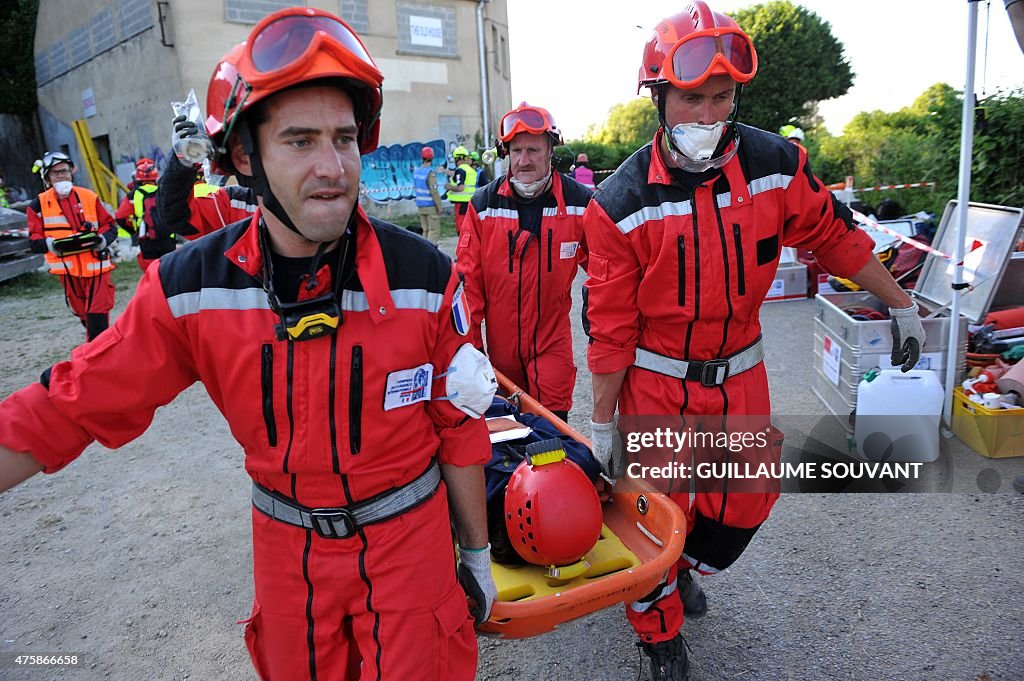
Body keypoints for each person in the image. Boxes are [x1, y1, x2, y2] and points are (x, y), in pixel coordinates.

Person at [0, 8, 497, 680]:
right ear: (244, 156)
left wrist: (474, 553)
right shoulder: (190, 290)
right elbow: (69, 404)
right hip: (288, 556)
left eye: (345, 138)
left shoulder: (427, 279)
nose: (333, 166)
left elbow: (459, 428)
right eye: (299, 140)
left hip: (410, 547)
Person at [582, 5, 926, 679]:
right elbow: (609, 331)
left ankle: (678, 564)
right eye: (691, 100)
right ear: (658, 96)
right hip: (658, 384)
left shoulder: (775, 164)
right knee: (653, 515)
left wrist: (902, 303)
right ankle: (658, 632)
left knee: (744, 498)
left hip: (741, 374)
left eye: (722, 97)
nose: (708, 116)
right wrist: (600, 425)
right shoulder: (619, 203)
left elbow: (837, 236)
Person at [456, 102, 592, 422]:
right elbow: (468, 286)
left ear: (550, 152)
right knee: (507, 440)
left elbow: (607, 273)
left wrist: (603, 336)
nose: (524, 160)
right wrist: (472, 353)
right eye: (516, 150)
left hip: (552, 345)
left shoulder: (578, 204)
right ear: (506, 153)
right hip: (500, 356)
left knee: (553, 435)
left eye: (533, 149)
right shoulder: (483, 206)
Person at [26, 151, 118, 342]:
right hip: (68, 271)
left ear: (71, 173)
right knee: (84, 315)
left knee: (97, 316)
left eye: (65, 171)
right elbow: (34, 241)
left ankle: (98, 357)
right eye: (56, 172)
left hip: (96, 267)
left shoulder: (89, 197)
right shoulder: (38, 205)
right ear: (47, 178)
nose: (61, 176)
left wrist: (101, 240)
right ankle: (99, 351)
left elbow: (110, 226)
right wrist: (49, 244)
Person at [115, 157, 175, 270]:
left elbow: (120, 217)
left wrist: (134, 229)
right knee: (171, 269)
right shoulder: (165, 191)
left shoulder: (133, 195)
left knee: (151, 271)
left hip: (146, 239)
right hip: (168, 237)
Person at [413, 146, 443, 244]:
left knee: (425, 230)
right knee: (433, 230)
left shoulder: (416, 171)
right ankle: (432, 251)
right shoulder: (430, 173)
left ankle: (424, 251)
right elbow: (433, 191)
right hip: (430, 206)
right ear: (432, 157)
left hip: (420, 205)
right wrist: (439, 206)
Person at [445, 145, 476, 234]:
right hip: (470, 201)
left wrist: (449, 187)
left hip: (461, 203)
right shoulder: (470, 170)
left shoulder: (460, 170)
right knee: (469, 225)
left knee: (461, 226)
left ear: (458, 158)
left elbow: (460, 187)